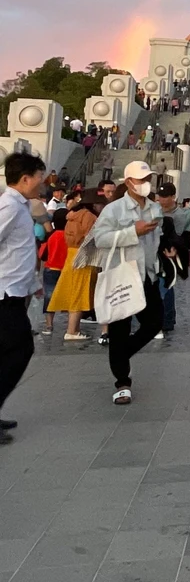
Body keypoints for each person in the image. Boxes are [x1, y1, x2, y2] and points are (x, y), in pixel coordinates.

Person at [74, 161, 164, 405]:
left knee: (155, 322)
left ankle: (121, 355)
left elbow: (158, 239)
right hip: (120, 274)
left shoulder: (155, 208)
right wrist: (132, 232)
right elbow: (100, 238)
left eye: (148, 179)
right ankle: (122, 381)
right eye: (140, 179)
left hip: (147, 275)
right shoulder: (114, 210)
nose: (145, 184)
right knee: (119, 327)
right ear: (129, 182)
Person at [0, 152, 47, 443]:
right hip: (4, 294)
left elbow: (17, 252)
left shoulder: (19, 206)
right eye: (39, 178)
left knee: (9, 351)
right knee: (20, 349)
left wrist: (31, 282)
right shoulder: (9, 206)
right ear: (25, 178)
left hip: (15, 290)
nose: (41, 185)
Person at [47, 190, 101, 341]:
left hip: (71, 254)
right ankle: (72, 330)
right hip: (84, 255)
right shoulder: (88, 216)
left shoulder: (71, 216)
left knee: (73, 292)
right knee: (80, 292)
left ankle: (74, 329)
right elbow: (92, 236)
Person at [154, 183, 190, 337]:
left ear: (173, 197)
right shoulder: (153, 211)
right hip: (153, 251)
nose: (162, 199)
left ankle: (167, 320)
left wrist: (177, 251)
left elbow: (185, 236)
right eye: (160, 196)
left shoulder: (184, 214)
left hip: (171, 252)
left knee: (166, 285)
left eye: (165, 196)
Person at [38, 208, 69, 335]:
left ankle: (49, 325)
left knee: (49, 297)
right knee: (69, 297)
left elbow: (43, 255)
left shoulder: (51, 236)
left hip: (51, 269)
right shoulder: (70, 235)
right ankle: (71, 326)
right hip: (66, 270)